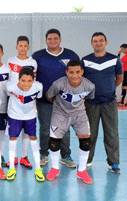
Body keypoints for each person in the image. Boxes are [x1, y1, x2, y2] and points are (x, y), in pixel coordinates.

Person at [32, 29, 79, 168]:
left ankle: (66, 155)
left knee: (64, 129)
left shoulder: (71, 55)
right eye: (50, 39)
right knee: (45, 128)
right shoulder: (38, 56)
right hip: (44, 100)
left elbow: (78, 76)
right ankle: (43, 154)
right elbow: (31, 76)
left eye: (55, 38)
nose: (52, 41)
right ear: (46, 40)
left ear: (60, 39)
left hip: (64, 101)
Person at [45, 59, 95, 184]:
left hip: (79, 114)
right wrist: (59, 106)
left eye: (78, 72)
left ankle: (82, 171)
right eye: (71, 72)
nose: (74, 75)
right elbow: (49, 96)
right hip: (60, 114)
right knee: (54, 142)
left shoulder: (90, 86)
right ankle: (54, 168)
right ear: (66, 72)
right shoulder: (58, 84)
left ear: (82, 72)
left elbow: (89, 96)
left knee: (86, 142)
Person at [82, 32, 123, 174]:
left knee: (111, 134)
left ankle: (114, 163)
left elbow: (119, 78)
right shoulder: (85, 60)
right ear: (91, 43)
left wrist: (107, 90)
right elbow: (81, 80)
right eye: (95, 41)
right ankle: (87, 159)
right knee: (89, 134)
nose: (98, 43)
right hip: (91, 103)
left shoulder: (114, 60)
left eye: (101, 41)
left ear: (106, 42)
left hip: (109, 103)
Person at [6, 68, 44, 181]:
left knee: (33, 138)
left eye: (29, 81)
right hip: (14, 115)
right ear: (18, 79)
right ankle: (12, 168)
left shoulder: (38, 87)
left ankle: (38, 168)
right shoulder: (10, 87)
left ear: (33, 80)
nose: (26, 84)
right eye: (23, 80)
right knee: (13, 138)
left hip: (30, 116)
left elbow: (39, 97)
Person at [7, 35, 38, 169]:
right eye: (20, 45)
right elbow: (8, 80)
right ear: (16, 47)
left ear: (28, 47)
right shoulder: (10, 61)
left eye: (25, 46)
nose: (23, 48)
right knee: (13, 133)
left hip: (28, 103)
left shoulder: (33, 63)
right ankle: (13, 158)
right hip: (14, 100)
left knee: (27, 133)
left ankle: (24, 157)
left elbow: (34, 82)